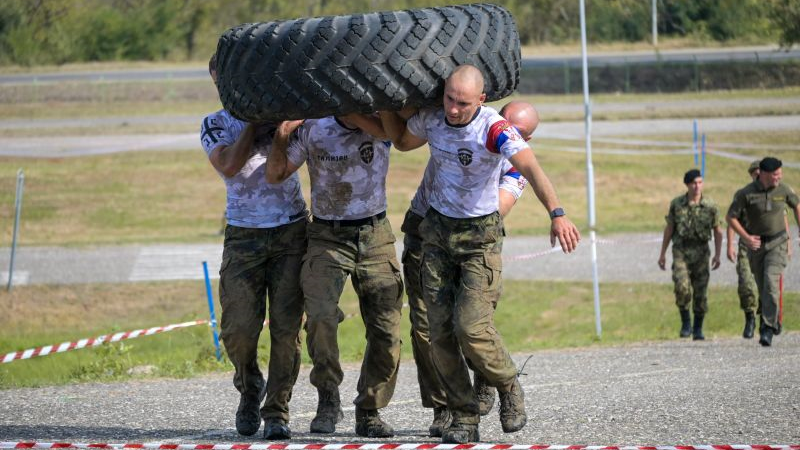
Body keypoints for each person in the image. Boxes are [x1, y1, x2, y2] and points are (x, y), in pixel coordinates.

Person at [381, 65, 581, 444]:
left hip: (479, 240)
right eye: (449, 99)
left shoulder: (494, 129)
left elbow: (531, 168)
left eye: (463, 103)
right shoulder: (435, 118)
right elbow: (404, 143)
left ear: (482, 100)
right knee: (438, 334)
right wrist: (383, 101)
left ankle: (507, 385)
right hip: (437, 234)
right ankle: (464, 414)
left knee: (471, 327)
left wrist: (557, 213)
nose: (454, 109)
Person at [401, 100, 536, 438]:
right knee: (429, 329)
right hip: (424, 228)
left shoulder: (515, 167)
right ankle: (450, 410)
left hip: (471, 238)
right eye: (501, 121)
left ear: (527, 139)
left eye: (515, 131)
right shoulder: (464, 124)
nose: (503, 131)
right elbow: (410, 121)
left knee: (471, 325)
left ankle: (493, 381)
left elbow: (493, 212)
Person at [266, 113, 403, 438]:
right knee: (320, 318)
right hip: (327, 234)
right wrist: (282, 135)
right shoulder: (314, 125)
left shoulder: (381, 122)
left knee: (386, 330)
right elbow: (275, 174)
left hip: (374, 233)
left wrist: (352, 110)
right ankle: (328, 396)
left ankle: (369, 409)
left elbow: (399, 138)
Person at [200, 54, 308, 440]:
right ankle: (249, 386)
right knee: (238, 329)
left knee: (286, 329)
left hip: (290, 231)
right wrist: (251, 122)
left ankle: (277, 410)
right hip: (244, 234)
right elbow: (228, 165)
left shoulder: (286, 115)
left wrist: (278, 122)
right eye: (220, 83)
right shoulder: (215, 123)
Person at [726, 157, 799, 347]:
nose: (778, 177)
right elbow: (731, 217)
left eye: (780, 174)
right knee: (762, 286)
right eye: (775, 174)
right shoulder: (746, 193)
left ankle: (767, 327)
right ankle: (769, 319)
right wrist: (746, 238)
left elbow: (797, 205)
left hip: (778, 243)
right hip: (756, 246)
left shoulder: (784, 190)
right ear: (764, 174)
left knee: (770, 281)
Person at [657, 169, 723, 341]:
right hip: (681, 251)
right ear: (687, 185)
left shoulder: (710, 205)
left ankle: (698, 328)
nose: (697, 186)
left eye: (700, 182)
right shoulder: (677, 204)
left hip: (701, 252)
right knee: (682, 286)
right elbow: (669, 228)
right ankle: (686, 322)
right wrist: (662, 253)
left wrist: (718, 254)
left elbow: (717, 230)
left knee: (700, 292)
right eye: (694, 183)